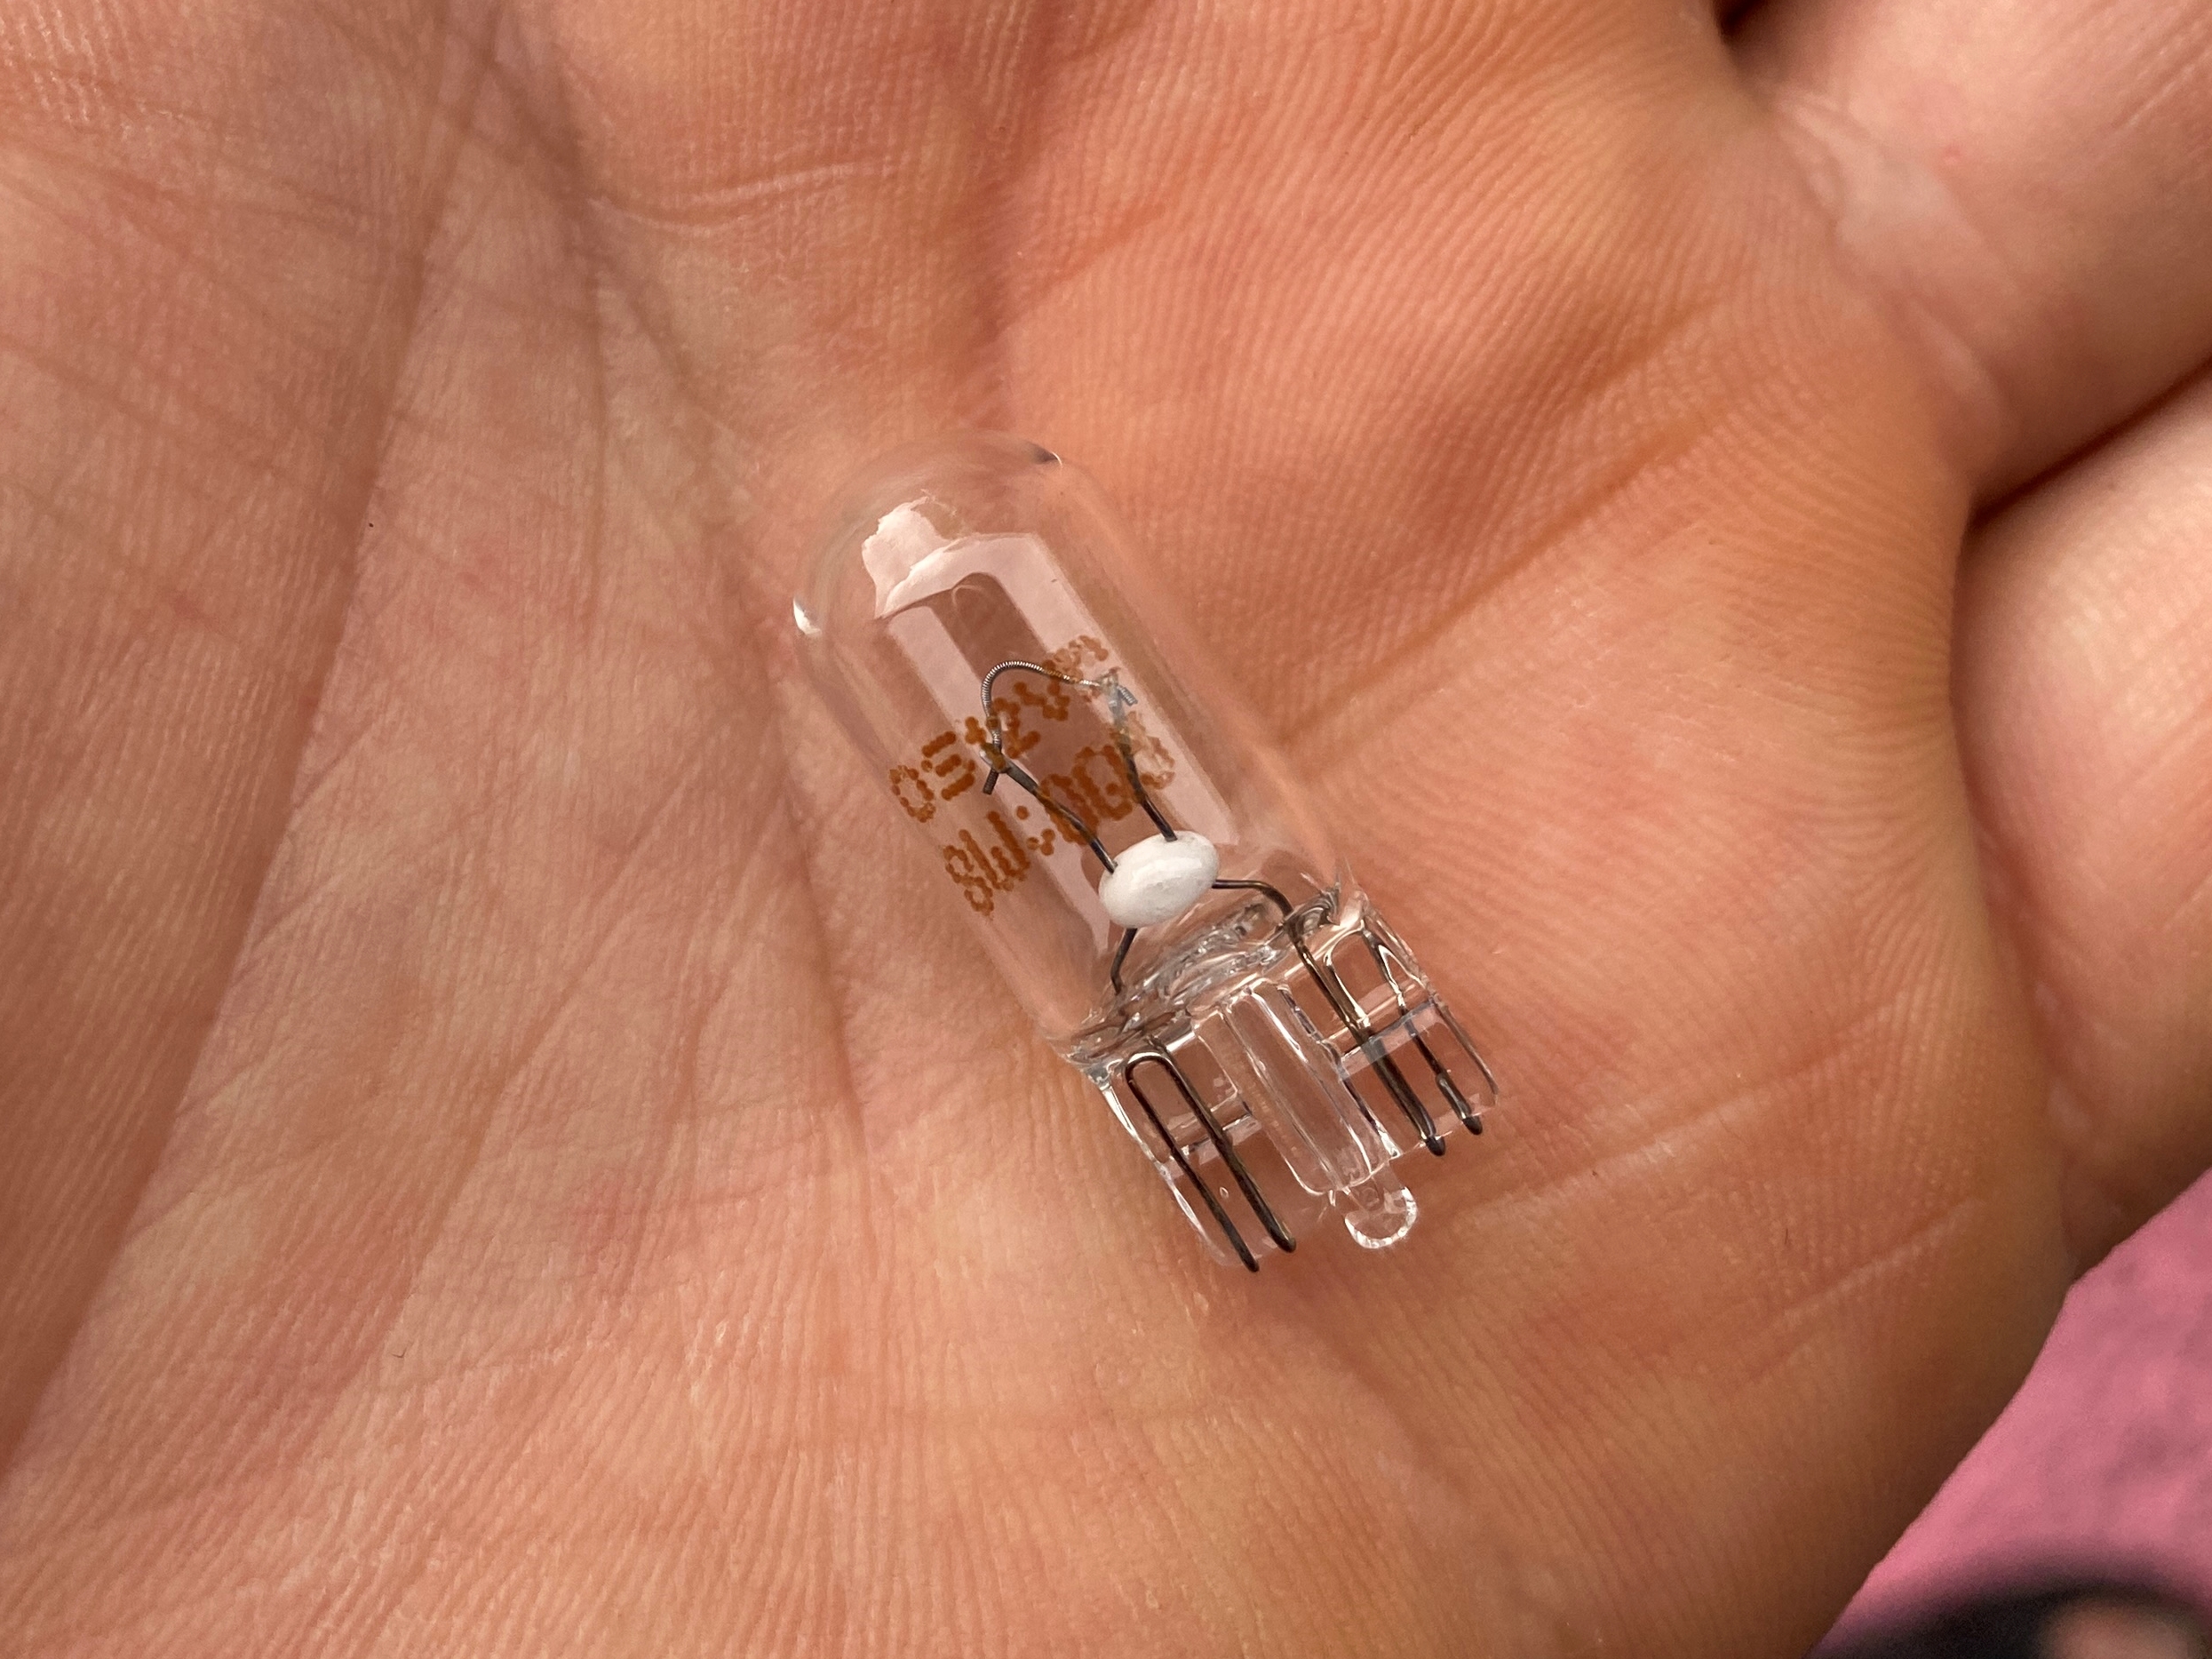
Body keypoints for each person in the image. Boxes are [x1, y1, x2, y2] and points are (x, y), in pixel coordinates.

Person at [1, 0, 2207, 1653]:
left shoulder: (1049, 663)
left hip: (1205, 937)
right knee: (1173, 911)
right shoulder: (946, 673)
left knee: (1186, 900)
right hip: (1164, 975)